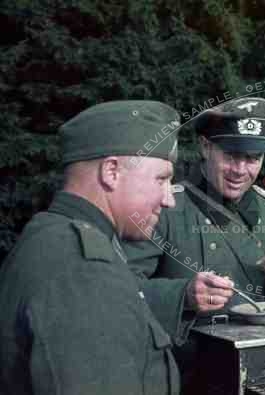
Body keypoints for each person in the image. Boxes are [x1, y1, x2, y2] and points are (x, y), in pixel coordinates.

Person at [0, 100, 198, 395]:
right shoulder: (83, 270)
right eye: (162, 179)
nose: (169, 199)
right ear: (112, 172)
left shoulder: (51, 235)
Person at [124, 97, 265, 316]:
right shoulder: (164, 206)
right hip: (190, 348)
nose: (239, 170)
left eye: (253, 158)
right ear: (205, 147)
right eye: (231, 155)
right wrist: (183, 295)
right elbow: (120, 287)